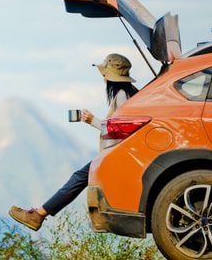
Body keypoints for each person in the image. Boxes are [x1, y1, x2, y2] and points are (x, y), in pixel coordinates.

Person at [8, 53, 139, 231]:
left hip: (120, 153)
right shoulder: (130, 94)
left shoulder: (122, 95)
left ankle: (38, 215)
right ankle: (39, 214)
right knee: (80, 177)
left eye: (104, 75)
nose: (103, 79)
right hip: (123, 152)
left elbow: (121, 130)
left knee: (79, 178)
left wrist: (92, 120)